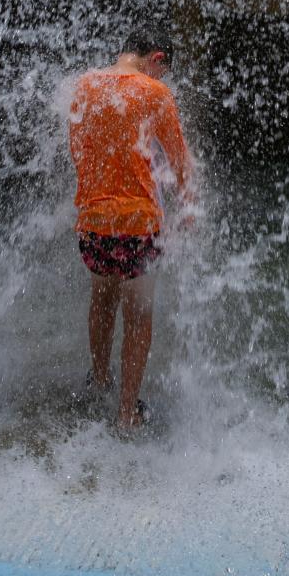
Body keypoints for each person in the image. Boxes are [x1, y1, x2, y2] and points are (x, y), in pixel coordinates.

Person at [68, 31, 195, 430]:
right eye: (164, 70)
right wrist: (189, 210)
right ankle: (127, 414)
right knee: (138, 315)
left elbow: (79, 151)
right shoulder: (153, 92)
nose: (164, 79)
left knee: (102, 299)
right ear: (156, 58)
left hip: (93, 221)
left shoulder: (84, 86)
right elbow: (181, 164)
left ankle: (100, 380)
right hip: (138, 224)